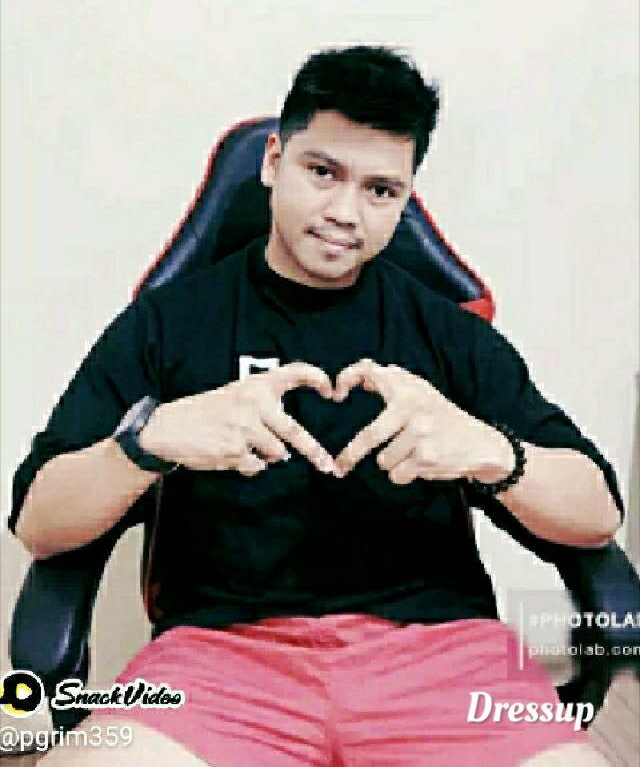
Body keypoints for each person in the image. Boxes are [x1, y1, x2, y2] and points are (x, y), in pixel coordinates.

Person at [10, 46, 623, 766]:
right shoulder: (168, 324)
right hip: (218, 662)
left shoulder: (450, 333)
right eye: (323, 172)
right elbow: (41, 525)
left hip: (443, 660)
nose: (344, 213)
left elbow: (597, 515)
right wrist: (148, 441)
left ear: (405, 197)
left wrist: (493, 453)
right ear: (274, 161)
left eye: (380, 190)